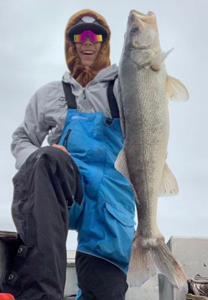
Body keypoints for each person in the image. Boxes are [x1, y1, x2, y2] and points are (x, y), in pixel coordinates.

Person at [2, 9, 136, 300]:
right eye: (79, 36)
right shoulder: (49, 94)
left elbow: (149, 115)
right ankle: (40, 292)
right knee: (46, 160)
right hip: (64, 186)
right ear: (71, 43)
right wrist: (41, 156)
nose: (87, 42)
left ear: (105, 42)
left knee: (104, 292)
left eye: (95, 35)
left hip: (109, 201)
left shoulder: (124, 88)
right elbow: (22, 138)